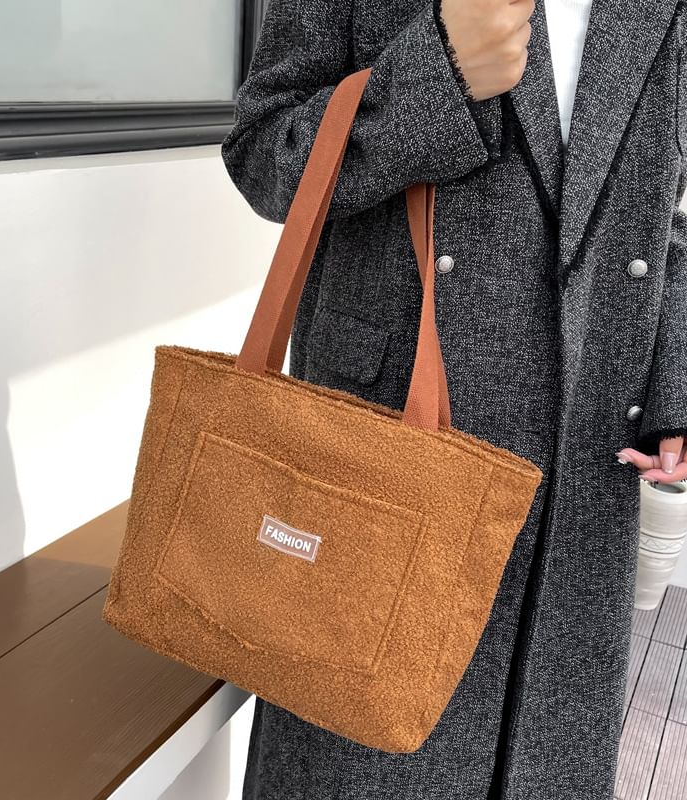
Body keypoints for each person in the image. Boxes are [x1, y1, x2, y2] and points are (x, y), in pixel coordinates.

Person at [220, 0, 687, 797]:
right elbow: (266, 154)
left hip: (584, 478)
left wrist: (674, 382)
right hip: (388, 465)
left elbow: (663, 210)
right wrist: (434, 78)